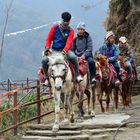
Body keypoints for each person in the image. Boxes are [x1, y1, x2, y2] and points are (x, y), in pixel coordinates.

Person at [42, 12, 83, 86]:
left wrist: (64, 51)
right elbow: (48, 39)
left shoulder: (71, 31)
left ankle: (77, 75)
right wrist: (47, 48)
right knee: (44, 60)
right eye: (64, 20)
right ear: (62, 19)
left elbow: (69, 42)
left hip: (65, 51)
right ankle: (46, 78)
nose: (66, 22)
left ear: (69, 21)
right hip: (54, 51)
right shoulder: (54, 27)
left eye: (67, 21)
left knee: (74, 57)